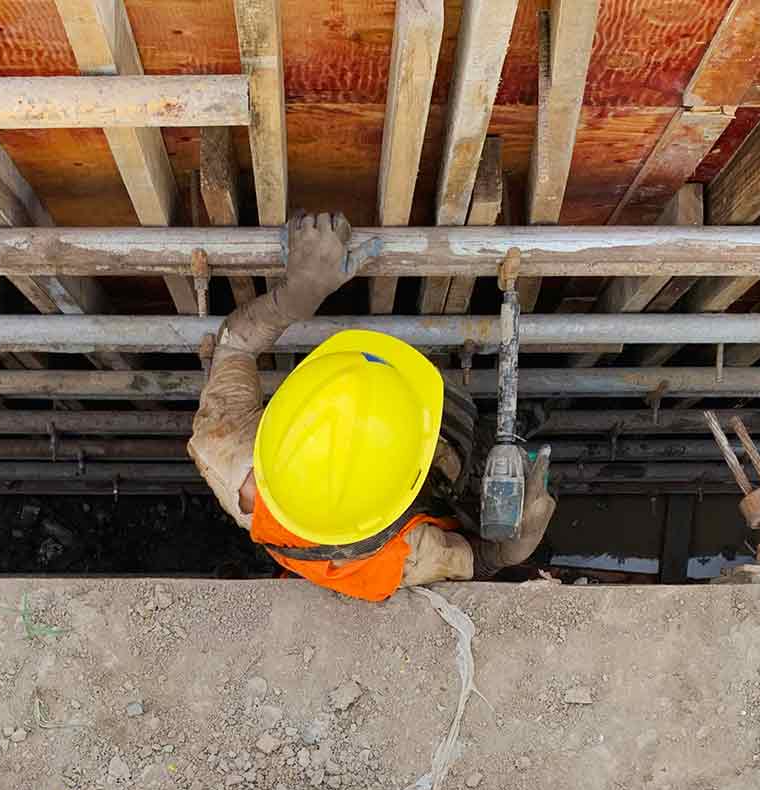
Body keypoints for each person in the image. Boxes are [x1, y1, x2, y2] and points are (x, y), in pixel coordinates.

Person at [189, 211, 556, 601]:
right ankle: (485, 439)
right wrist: (511, 549)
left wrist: (294, 296)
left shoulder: (228, 452)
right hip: (445, 455)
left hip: (413, 427)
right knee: (465, 462)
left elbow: (235, 346)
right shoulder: (402, 556)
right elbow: (475, 560)